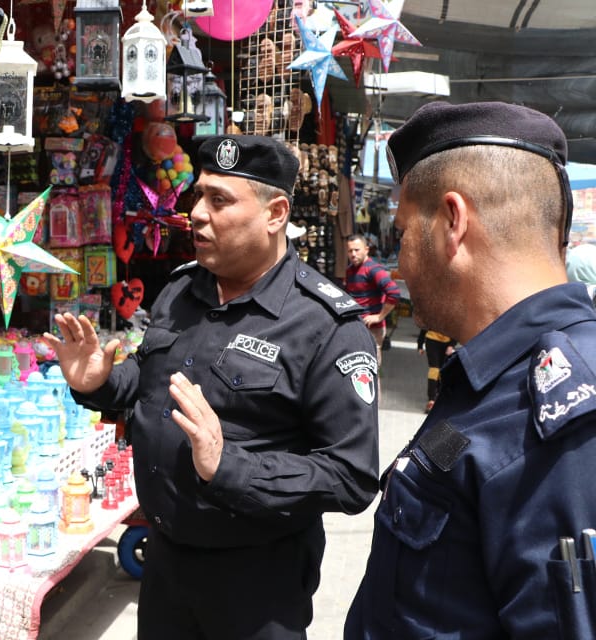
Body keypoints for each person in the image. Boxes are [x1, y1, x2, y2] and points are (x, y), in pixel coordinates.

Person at [45, 135, 380, 640]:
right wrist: (101, 383)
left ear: (275, 214)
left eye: (219, 200)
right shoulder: (182, 289)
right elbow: (150, 379)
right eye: (198, 196)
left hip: (257, 584)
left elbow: (351, 476)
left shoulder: (325, 326)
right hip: (165, 565)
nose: (196, 213)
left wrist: (230, 466)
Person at [345, 101, 596, 639]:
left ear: (453, 223)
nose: (402, 261)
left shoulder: (563, 418)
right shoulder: (494, 379)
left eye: (405, 231)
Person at [344, 233, 401, 367]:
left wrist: (380, 317)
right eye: (350, 251)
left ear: (366, 250)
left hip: (372, 329)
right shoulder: (350, 270)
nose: (353, 254)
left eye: (357, 250)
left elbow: (394, 292)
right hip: (356, 327)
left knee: (370, 370)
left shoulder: (373, 269)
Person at [415, 327, 454, 412]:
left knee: (442, 370)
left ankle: (438, 395)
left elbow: (456, 328)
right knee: (434, 369)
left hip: (446, 342)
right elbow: (425, 324)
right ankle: (431, 400)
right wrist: (420, 344)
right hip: (432, 340)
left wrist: (451, 345)